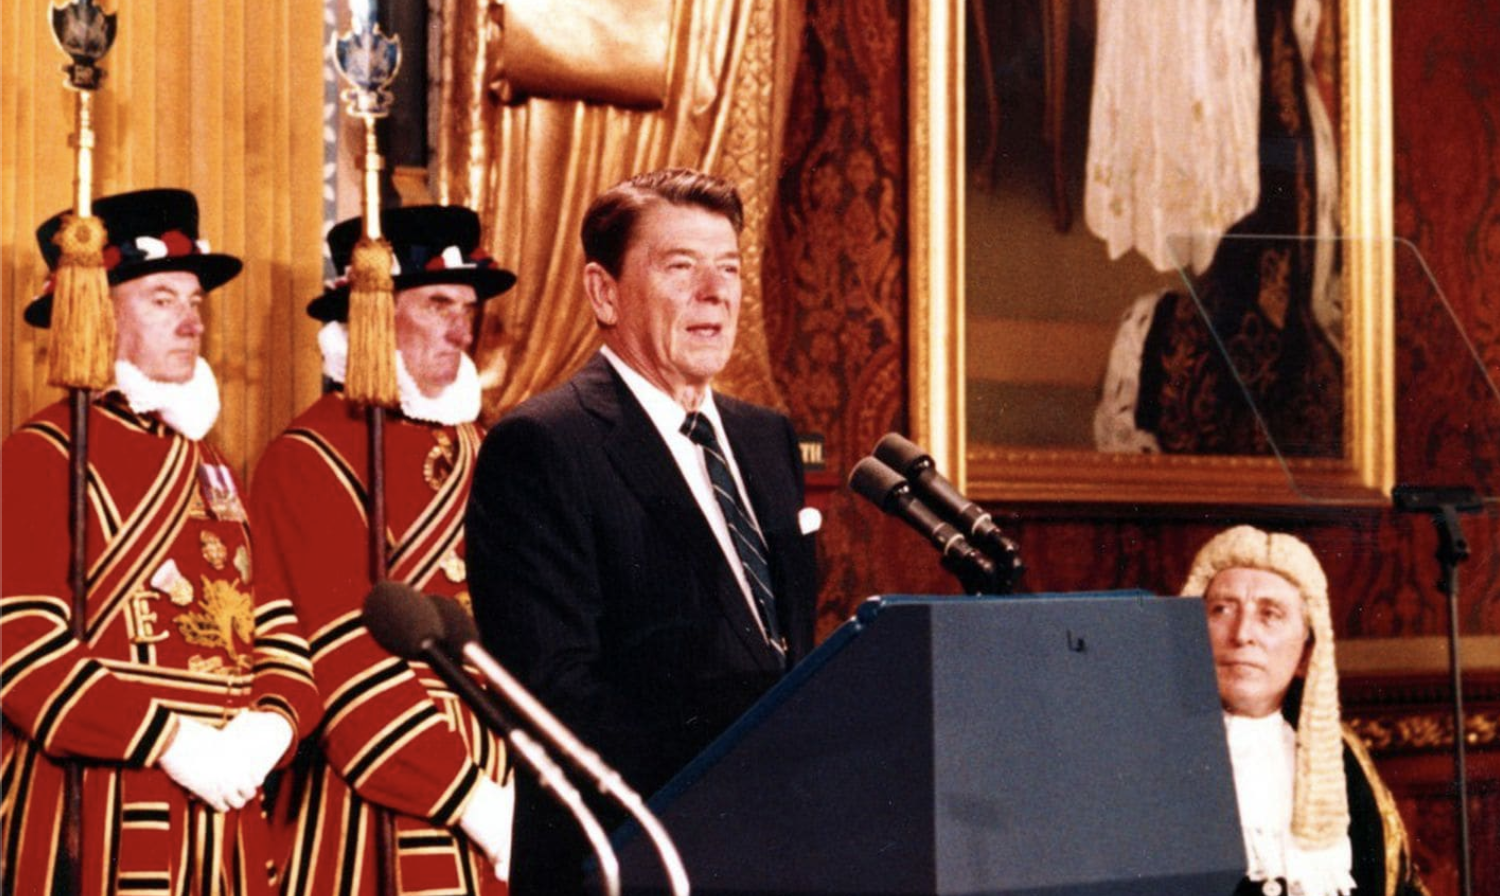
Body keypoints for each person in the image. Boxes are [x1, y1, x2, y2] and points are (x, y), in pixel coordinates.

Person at [466, 167, 821, 894]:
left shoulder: (765, 439)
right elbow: (553, 695)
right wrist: (753, 746)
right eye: (681, 267)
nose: (714, 293)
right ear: (604, 292)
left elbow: (786, 650)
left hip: (769, 851)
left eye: (727, 269)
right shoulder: (543, 446)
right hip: (626, 860)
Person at [1, 188, 322, 896]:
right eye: (161, 300)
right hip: (104, 808)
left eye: (195, 301)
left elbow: (274, 623)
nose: (191, 321)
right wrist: (172, 741)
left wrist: (273, 723)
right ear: (96, 313)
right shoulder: (41, 454)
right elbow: (21, 653)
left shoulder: (211, 461)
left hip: (226, 811)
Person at [250, 205, 519, 895]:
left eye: (467, 307)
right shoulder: (307, 457)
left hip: (506, 770)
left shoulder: (487, 448)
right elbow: (342, 658)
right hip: (379, 793)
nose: (462, 328)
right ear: (371, 313)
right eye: (437, 304)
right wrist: (472, 799)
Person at [1181, 525, 1428, 896]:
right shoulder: (1145, 750)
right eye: (1222, 609)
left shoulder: (1342, 758)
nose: (1242, 633)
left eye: (1270, 614)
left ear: (1306, 652)